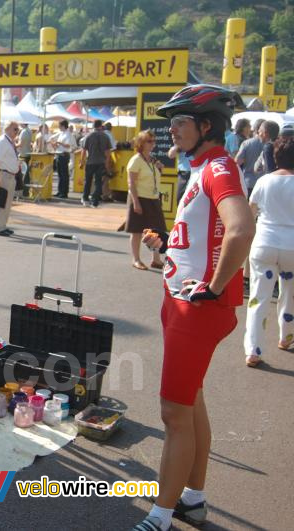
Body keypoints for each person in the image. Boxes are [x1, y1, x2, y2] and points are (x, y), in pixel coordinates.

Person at [136, 85, 254, 531]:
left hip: (195, 309)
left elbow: (242, 229)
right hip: (185, 300)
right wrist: (168, 247)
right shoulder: (205, 166)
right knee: (191, 403)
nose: (172, 128)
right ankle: (194, 498)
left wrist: (213, 286)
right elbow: (210, 236)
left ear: (207, 126)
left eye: (180, 121)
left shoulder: (218, 168)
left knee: (172, 411)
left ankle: (159, 517)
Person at [244, 136, 294, 367]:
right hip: (292, 247)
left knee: (259, 297)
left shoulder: (264, 181)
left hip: (264, 243)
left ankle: (253, 350)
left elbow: (249, 212)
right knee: (289, 295)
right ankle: (286, 337)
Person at [126, 130, 166, 271]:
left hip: (153, 198)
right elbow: (131, 183)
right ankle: (136, 259)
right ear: (141, 143)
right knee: (137, 231)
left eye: (154, 141)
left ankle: (156, 259)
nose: (153, 144)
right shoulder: (136, 160)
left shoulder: (152, 159)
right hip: (140, 198)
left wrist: (159, 169)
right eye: (149, 141)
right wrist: (136, 202)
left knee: (157, 230)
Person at [0, 121, 20, 236]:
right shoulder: (1, 141)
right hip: (4, 175)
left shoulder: (8, 141)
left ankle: (2, 226)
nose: (17, 132)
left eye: (17, 130)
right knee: (0, 202)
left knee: (6, 203)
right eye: (15, 129)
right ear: (8, 129)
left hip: (10, 175)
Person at [78, 119, 111, 207]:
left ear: (93, 126)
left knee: (88, 181)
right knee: (98, 182)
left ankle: (85, 199)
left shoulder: (88, 136)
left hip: (90, 161)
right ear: (101, 126)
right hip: (101, 162)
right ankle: (95, 201)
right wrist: (107, 165)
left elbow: (84, 150)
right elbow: (108, 153)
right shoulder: (106, 136)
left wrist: (81, 162)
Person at [235, 118, 265, 196]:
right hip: (264, 183)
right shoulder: (272, 144)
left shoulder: (247, 143)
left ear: (255, 129)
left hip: (248, 182)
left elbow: (237, 161)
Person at [50, 119, 75, 198]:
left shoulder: (68, 134)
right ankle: (60, 191)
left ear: (63, 126)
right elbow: (61, 145)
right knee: (60, 174)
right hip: (59, 154)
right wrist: (56, 144)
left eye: (59, 126)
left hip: (64, 155)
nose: (59, 127)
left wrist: (59, 143)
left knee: (64, 175)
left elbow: (67, 145)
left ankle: (64, 192)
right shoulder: (62, 133)